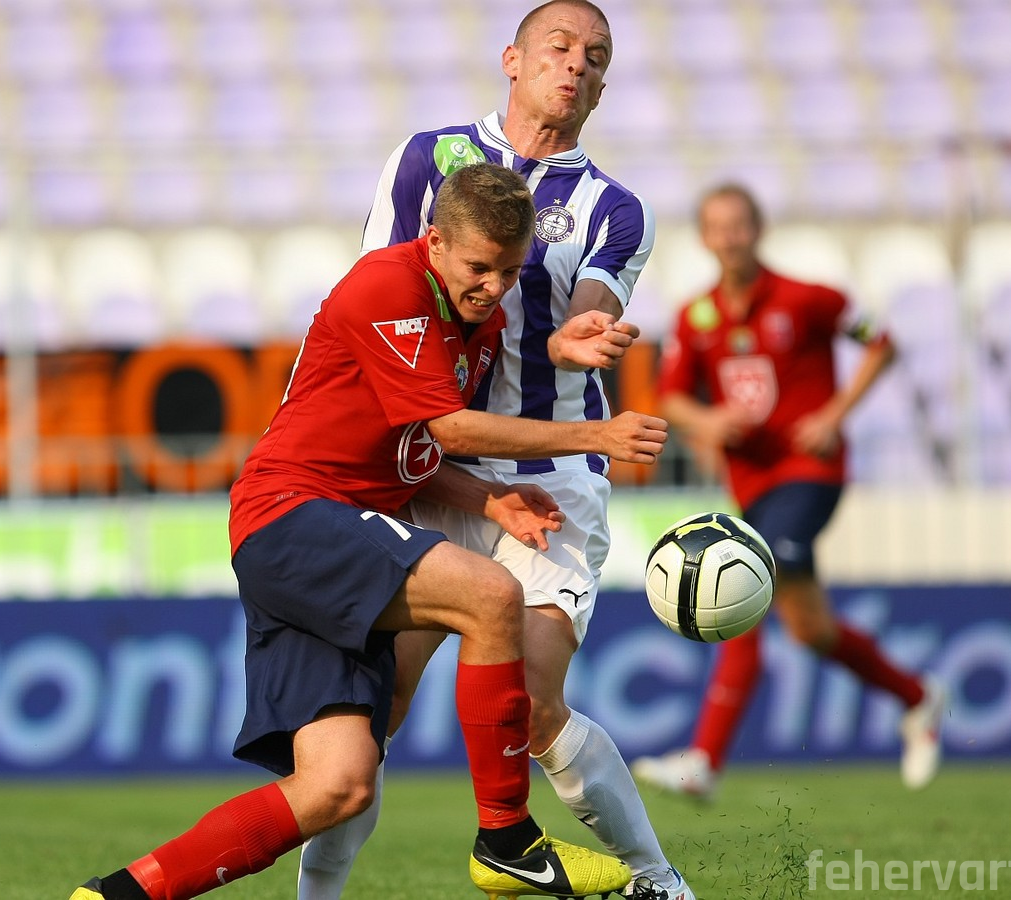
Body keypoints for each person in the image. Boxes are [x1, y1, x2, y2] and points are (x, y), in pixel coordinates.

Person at [72, 164, 667, 900]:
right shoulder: (388, 286)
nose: (494, 287)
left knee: (338, 783)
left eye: (510, 272)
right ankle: (507, 836)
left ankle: (117, 894)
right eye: (479, 268)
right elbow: (448, 428)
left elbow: (411, 452)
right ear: (436, 241)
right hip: (291, 514)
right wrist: (596, 433)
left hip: (327, 533)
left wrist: (488, 499)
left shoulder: (478, 323)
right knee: (490, 596)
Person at [298, 3, 694, 898]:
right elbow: (378, 288)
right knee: (376, 709)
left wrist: (576, 335)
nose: (577, 65)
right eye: (560, 47)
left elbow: (592, 301)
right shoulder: (426, 158)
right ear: (512, 59)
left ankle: (657, 881)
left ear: (603, 86)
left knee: (536, 703)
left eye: (597, 57)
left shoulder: (616, 209)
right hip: (431, 473)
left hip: (549, 482)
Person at [631, 182, 944, 800]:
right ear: (704, 238)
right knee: (809, 629)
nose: (730, 238)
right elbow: (671, 397)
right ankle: (918, 698)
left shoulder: (809, 299)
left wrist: (833, 415)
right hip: (752, 485)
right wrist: (708, 420)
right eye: (718, 227)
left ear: (758, 229)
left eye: (739, 225)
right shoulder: (697, 317)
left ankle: (705, 760)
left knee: (741, 580)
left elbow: (881, 342)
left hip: (810, 472)